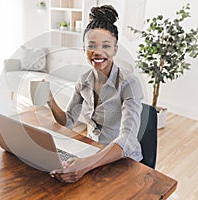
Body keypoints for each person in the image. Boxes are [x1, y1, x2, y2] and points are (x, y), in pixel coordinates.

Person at [47, 5, 144, 183]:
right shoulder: (83, 81)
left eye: (105, 46)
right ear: (85, 49)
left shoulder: (129, 83)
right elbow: (68, 121)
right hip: (91, 153)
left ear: (115, 49)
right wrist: (50, 100)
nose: (98, 52)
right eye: (92, 45)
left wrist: (86, 164)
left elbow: (128, 138)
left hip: (122, 161)